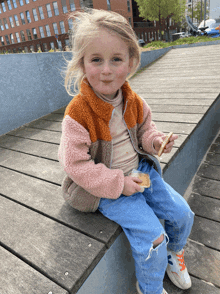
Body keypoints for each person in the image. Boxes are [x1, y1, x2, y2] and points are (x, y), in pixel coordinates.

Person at [58, 9, 194, 294]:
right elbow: (75, 164)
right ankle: (150, 288)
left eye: (116, 59)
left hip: (141, 172)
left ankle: (175, 254)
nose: (106, 70)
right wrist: (118, 184)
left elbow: (145, 130)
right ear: (82, 63)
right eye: (96, 60)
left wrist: (156, 142)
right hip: (106, 185)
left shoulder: (133, 100)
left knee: (183, 213)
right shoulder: (78, 113)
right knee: (154, 236)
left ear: (131, 62)